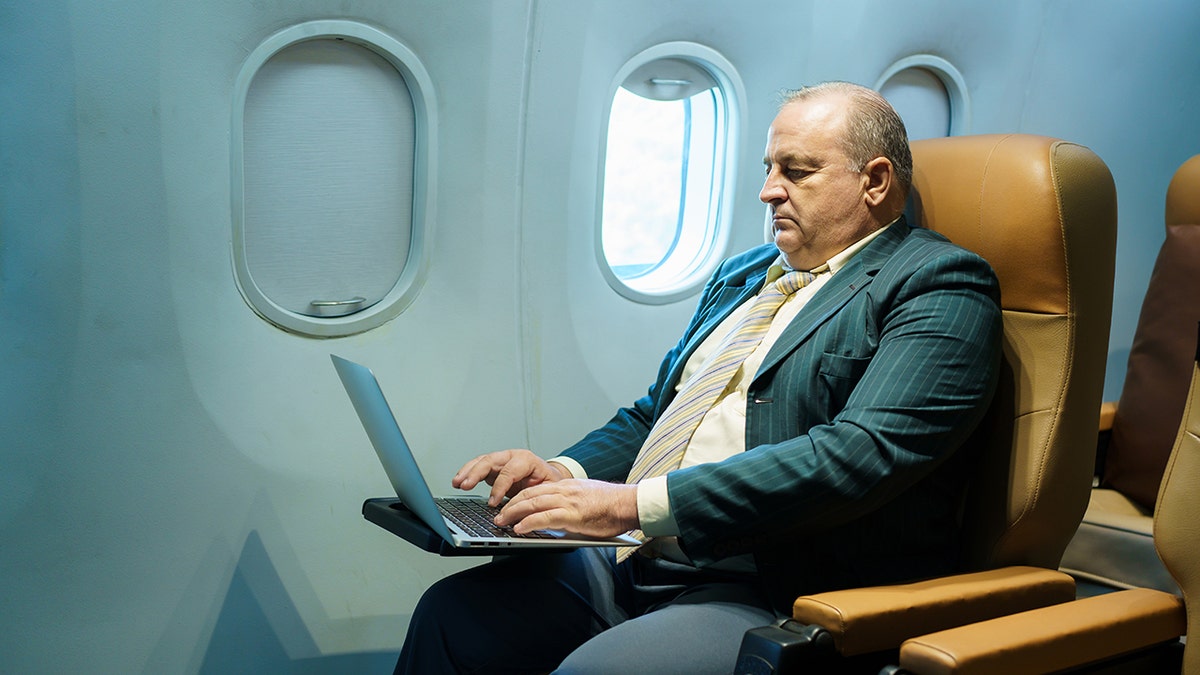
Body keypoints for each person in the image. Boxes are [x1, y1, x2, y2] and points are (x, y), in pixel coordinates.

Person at [396, 81, 1002, 674]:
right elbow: (658, 412)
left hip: (769, 585)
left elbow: (858, 456)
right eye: (769, 168)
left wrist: (633, 505)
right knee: (452, 618)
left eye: (797, 172)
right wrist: (566, 474)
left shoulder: (937, 284)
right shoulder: (746, 275)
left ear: (874, 181)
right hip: (637, 558)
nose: (768, 192)